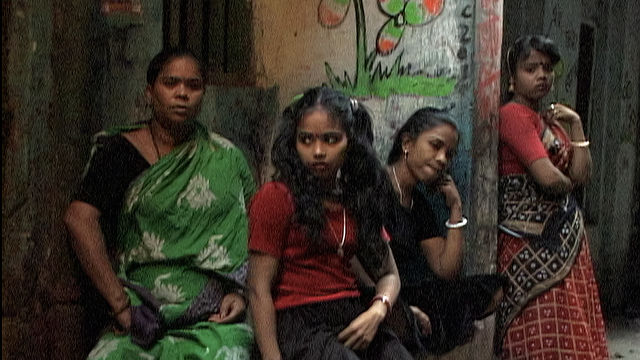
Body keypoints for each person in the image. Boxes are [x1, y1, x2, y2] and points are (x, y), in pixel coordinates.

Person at [64, 47, 256, 359]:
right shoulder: (118, 153)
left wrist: (239, 293)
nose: (183, 94)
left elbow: (252, 230)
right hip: (141, 312)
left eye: (193, 86)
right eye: (171, 83)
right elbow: (78, 219)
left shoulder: (225, 158)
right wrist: (120, 305)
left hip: (211, 318)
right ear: (150, 92)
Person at [247, 86, 412, 360]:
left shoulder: (357, 199)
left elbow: (389, 275)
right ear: (294, 143)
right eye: (306, 140)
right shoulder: (276, 197)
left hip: (350, 314)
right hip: (298, 323)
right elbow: (258, 289)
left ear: (351, 142)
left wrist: (377, 309)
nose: (318, 151)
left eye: (331, 139)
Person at [496, 34, 608, 359]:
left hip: (564, 247)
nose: (542, 75)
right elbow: (549, 179)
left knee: (568, 329)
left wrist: (576, 124)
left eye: (547, 68)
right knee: (540, 335)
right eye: (531, 68)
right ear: (512, 78)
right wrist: (568, 181)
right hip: (533, 248)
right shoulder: (513, 115)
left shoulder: (548, 120)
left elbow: (581, 174)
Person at [382, 107, 506, 355]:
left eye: (448, 154)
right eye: (435, 146)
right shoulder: (377, 187)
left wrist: (455, 208)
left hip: (411, 293)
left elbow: (446, 269)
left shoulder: (418, 203)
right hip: (379, 293)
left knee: (493, 289)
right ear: (407, 143)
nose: (441, 159)